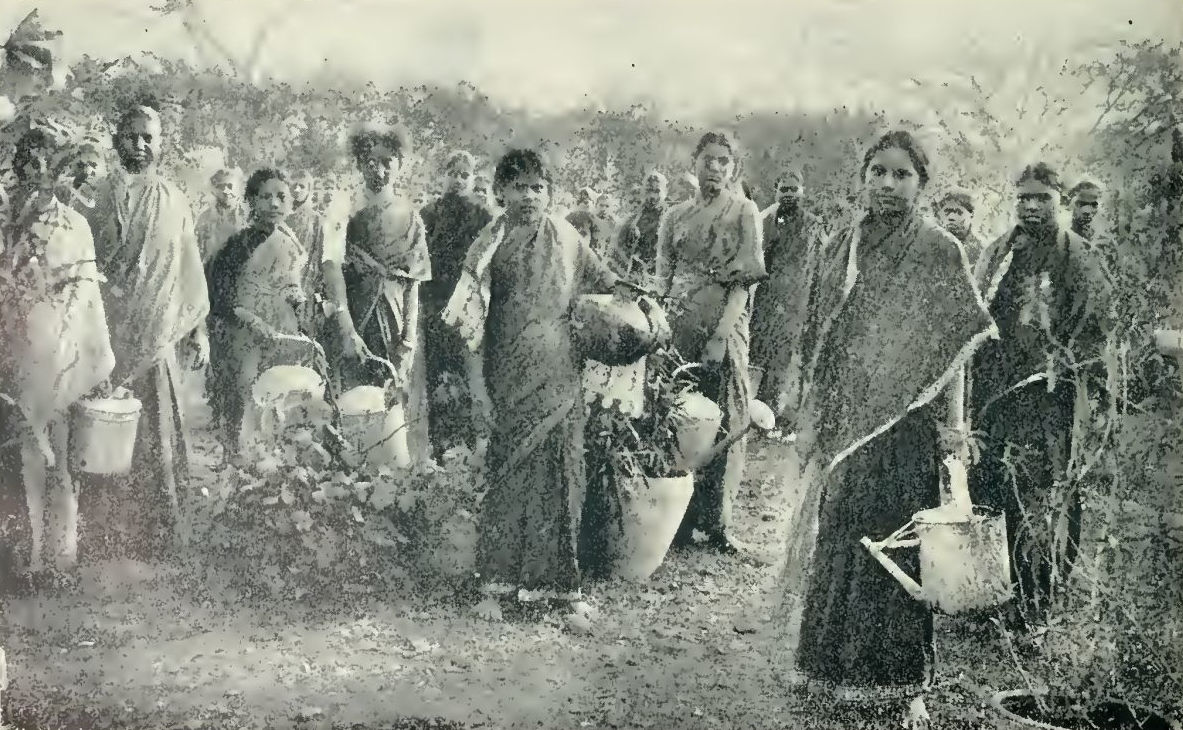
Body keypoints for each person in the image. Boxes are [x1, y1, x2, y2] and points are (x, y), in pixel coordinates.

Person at [774, 131, 995, 727]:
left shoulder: (938, 250)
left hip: (903, 428)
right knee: (840, 541)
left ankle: (897, 684)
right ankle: (827, 671)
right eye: (879, 171)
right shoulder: (839, 246)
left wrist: (954, 427)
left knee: (894, 546)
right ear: (862, 176)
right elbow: (818, 337)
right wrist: (809, 413)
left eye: (902, 175)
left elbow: (956, 347)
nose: (888, 184)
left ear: (921, 184)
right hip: (847, 420)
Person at [442, 148, 623, 618]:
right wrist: (478, 390)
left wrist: (637, 301)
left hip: (561, 378)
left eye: (538, 187)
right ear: (501, 192)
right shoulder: (487, 244)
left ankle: (560, 590)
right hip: (508, 379)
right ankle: (497, 587)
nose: (529, 195)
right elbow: (466, 325)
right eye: (519, 186)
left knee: (564, 477)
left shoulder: (568, 237)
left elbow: (607, 282)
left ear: (550, 193)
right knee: (509, 480)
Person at [969, 162, 1113, 628]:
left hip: (1053, 400)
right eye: (1023, 198)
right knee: (994, 486)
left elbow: (1095, 329)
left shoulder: (1078, 255)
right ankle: (1001, 590)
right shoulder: (998, 253)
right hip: (998, 397)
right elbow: (977, 317)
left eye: (1042, 198)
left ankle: (1043, 595)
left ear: (1060, 202)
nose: (1031, 206)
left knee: (1049, 493)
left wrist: (1066, 369)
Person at [85, 102, 209, 559]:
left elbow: (188, 268)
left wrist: (197, 331)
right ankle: (104, 537)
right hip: (106, 334)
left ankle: (159, 534)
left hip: (156, 331)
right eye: (131, 135)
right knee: (100, 430)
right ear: (116, 139)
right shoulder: (95, 195)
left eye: (148, 137)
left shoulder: (175, 199)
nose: (139, 145)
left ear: (161, 143)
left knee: (157, 432)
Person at [0, 127, 115, 584]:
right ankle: (22, 558)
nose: (37, 170)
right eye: (29, 158)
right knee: (20, 453)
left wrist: (72, 342)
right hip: (11, 346)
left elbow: (86, 292)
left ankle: (58, 558)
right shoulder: (8, 218)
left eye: (48, 161)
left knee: (57, 456)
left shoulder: (74, 223)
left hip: (58, 349)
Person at [657, 131, 768, 555]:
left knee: (725, 413)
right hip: (680, 322)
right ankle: (677, 519)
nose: (715, 168)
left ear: (733, 167)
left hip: (725, 320)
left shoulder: (745, 211)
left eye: (724, 161)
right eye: (709, 160)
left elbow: (745, 280)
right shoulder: (674, 216)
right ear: (695, 162)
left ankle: (717, 523)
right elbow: (663, 277)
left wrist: (721, 335)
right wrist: (660, 326)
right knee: (679, 417)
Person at [330, 123, 432, 463]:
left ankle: (395, 475)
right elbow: (332, 271)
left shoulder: (412, 218)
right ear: (359, 165)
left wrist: (410, 337)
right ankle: (352, 472)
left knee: (394, 395)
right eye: (371, 161)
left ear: (400, 164)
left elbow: (414, 282)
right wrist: (346, 328)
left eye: (388, 160)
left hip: (396, 317)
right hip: (356, 314)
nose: (379, 168)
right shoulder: (346, 212)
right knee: (355, 399)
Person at [205, 168, 310, 455]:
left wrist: (301, 304)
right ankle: (236, 466)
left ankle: (272, 475)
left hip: (278, 337)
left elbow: (290, 287)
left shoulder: (291, 246)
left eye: (281, 197)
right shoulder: (235, 245)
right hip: (241, 338)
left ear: (290, 203)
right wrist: (251, 320)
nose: (274, 204)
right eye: (265, 197)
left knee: (279, 404)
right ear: (251, 201)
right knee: (244, 405)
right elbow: (219, 295)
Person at [420, 150, 493, 458]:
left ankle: (469, 446)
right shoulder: (429, 213)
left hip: (469, 307)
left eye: (465, 174)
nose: (459, 179)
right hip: (436, 304)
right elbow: (420, 261)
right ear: (444, 175)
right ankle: (439, 444)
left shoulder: (483, 215)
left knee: (469, 373)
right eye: (454, 172)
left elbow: (490, 262)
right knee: (436, 373)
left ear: (473, 177)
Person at [748, 167, 826, 430]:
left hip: (798, 304)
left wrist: (815, 304)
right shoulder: (763, 220)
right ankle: (755, 413)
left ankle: (782, 418)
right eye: (784, 189)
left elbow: (820, 268)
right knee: (760, 354)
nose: (789, 194)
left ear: (803, 191)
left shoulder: (814, 225)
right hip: (766, 302)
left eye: (794, 189)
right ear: (776, 191)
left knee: (787, 359)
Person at [611, 171, 667, 281]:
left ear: (664, 192)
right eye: (649, 190)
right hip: (635, 275)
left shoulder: (670, 218)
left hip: (661, 277)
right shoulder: (631, 220)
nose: (652, 196)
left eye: (656, 191)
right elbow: (617, 250)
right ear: (643, 191)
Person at [195, 167, 247, 264]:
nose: (225, 191)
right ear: (214, 190)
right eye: (221, 187)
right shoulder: (205, 220)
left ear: (239, 189)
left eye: (229, 186)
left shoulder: (245, 219)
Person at [63, 136, 106, 235]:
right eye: (90, 197)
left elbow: (78, 190)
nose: (88, 196)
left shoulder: (78, 194)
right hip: (77, 181)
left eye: (89, 198)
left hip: (74, 181)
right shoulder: (83, 190)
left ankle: (73, 145)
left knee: (81, 167)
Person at [935, 188, 984, 264]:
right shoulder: (930, 246)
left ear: (972, 215)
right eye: (947, 212)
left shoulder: (980, 252)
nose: (951, 217)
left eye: (959, 212)